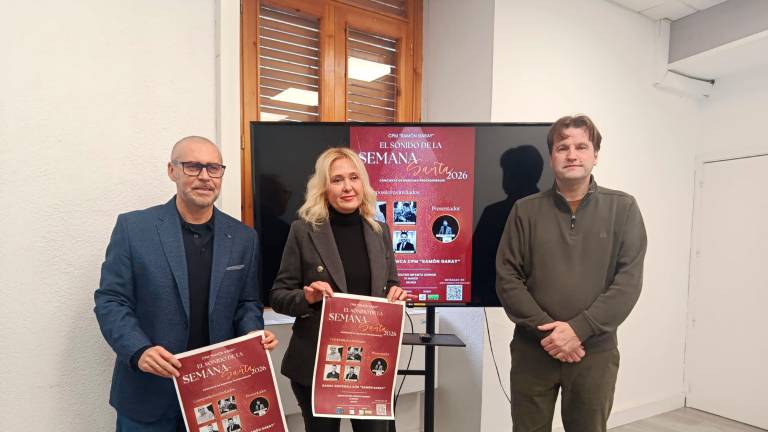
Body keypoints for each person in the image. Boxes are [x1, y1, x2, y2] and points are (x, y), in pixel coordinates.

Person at [94, 136, 277, 431]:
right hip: (149, 394)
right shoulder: (134, 228)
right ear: (172, 171)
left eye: (213, 168)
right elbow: (111, 300)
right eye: (193, 167)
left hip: (219, 394)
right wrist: (139, 350)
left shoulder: (243, 237)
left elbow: (247, 303)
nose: (205, 176)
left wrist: (253, 337)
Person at [496, 115, 647, 432]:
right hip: (533, 351)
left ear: (596, 155)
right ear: (552, 157)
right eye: (562, 147)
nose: (572, 155)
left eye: (581, 146)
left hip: (594, 353)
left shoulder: (624, 208)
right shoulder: (525, 210)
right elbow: (507, 279)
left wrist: (579, 330)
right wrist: (551, 334)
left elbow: (627, 283)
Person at [271, 147, 407, 432]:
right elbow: (279, 295)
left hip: (371, 365)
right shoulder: (303, 230)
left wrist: (395, 294)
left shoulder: (379, 230)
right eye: (337, 180)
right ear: (324, 188)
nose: (348, 187)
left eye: (354, 177)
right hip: (318, 366)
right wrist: (307, 296)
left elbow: (391, 282)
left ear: (363, 183)